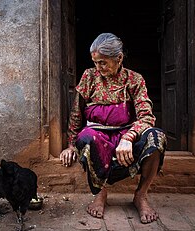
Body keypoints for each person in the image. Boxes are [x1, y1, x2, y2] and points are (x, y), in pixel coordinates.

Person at [59, 33, 167, 224]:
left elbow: (147, 116)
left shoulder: (134, 80)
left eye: (103, 63)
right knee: (87, 138)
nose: (98, 68)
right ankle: (100, 193)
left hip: (125, 136)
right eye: (95, 62)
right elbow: (77, 113)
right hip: (98, 134)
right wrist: (70, 145)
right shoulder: (89, 76)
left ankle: (141, 195)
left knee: (156, 137)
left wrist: (129, 137)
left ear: (119, 58)